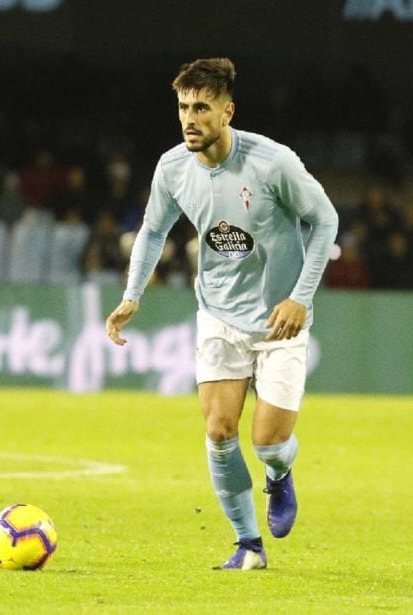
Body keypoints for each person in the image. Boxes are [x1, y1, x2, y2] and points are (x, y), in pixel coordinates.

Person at [105, 58, 339, 570]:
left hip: (280, 320)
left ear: (228, 111)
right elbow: (151, 231)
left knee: (268, 441)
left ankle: (279, 474)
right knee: (217, 430)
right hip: (218, 314)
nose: (190, 118)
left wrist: (301, 296)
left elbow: (325, 220)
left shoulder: (273, 163)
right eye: (184, 107)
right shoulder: (172, 168)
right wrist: (132, 294)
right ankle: (248, 545)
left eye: (202, 108)